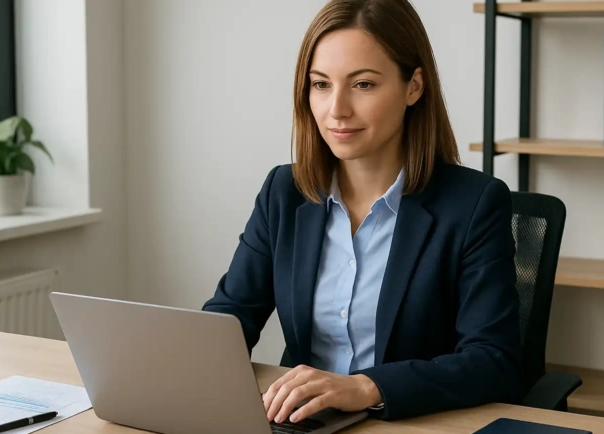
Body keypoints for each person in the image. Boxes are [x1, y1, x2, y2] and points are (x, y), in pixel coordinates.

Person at [202, 0, 522, 424]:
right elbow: (229, 319)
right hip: (303, 423)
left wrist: (368, 387)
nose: (337, 109)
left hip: (411, 423)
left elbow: (493, 360)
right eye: (321, 84)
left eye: (363, 84)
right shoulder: (284, 192)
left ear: (414, 87)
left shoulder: (474, 204)